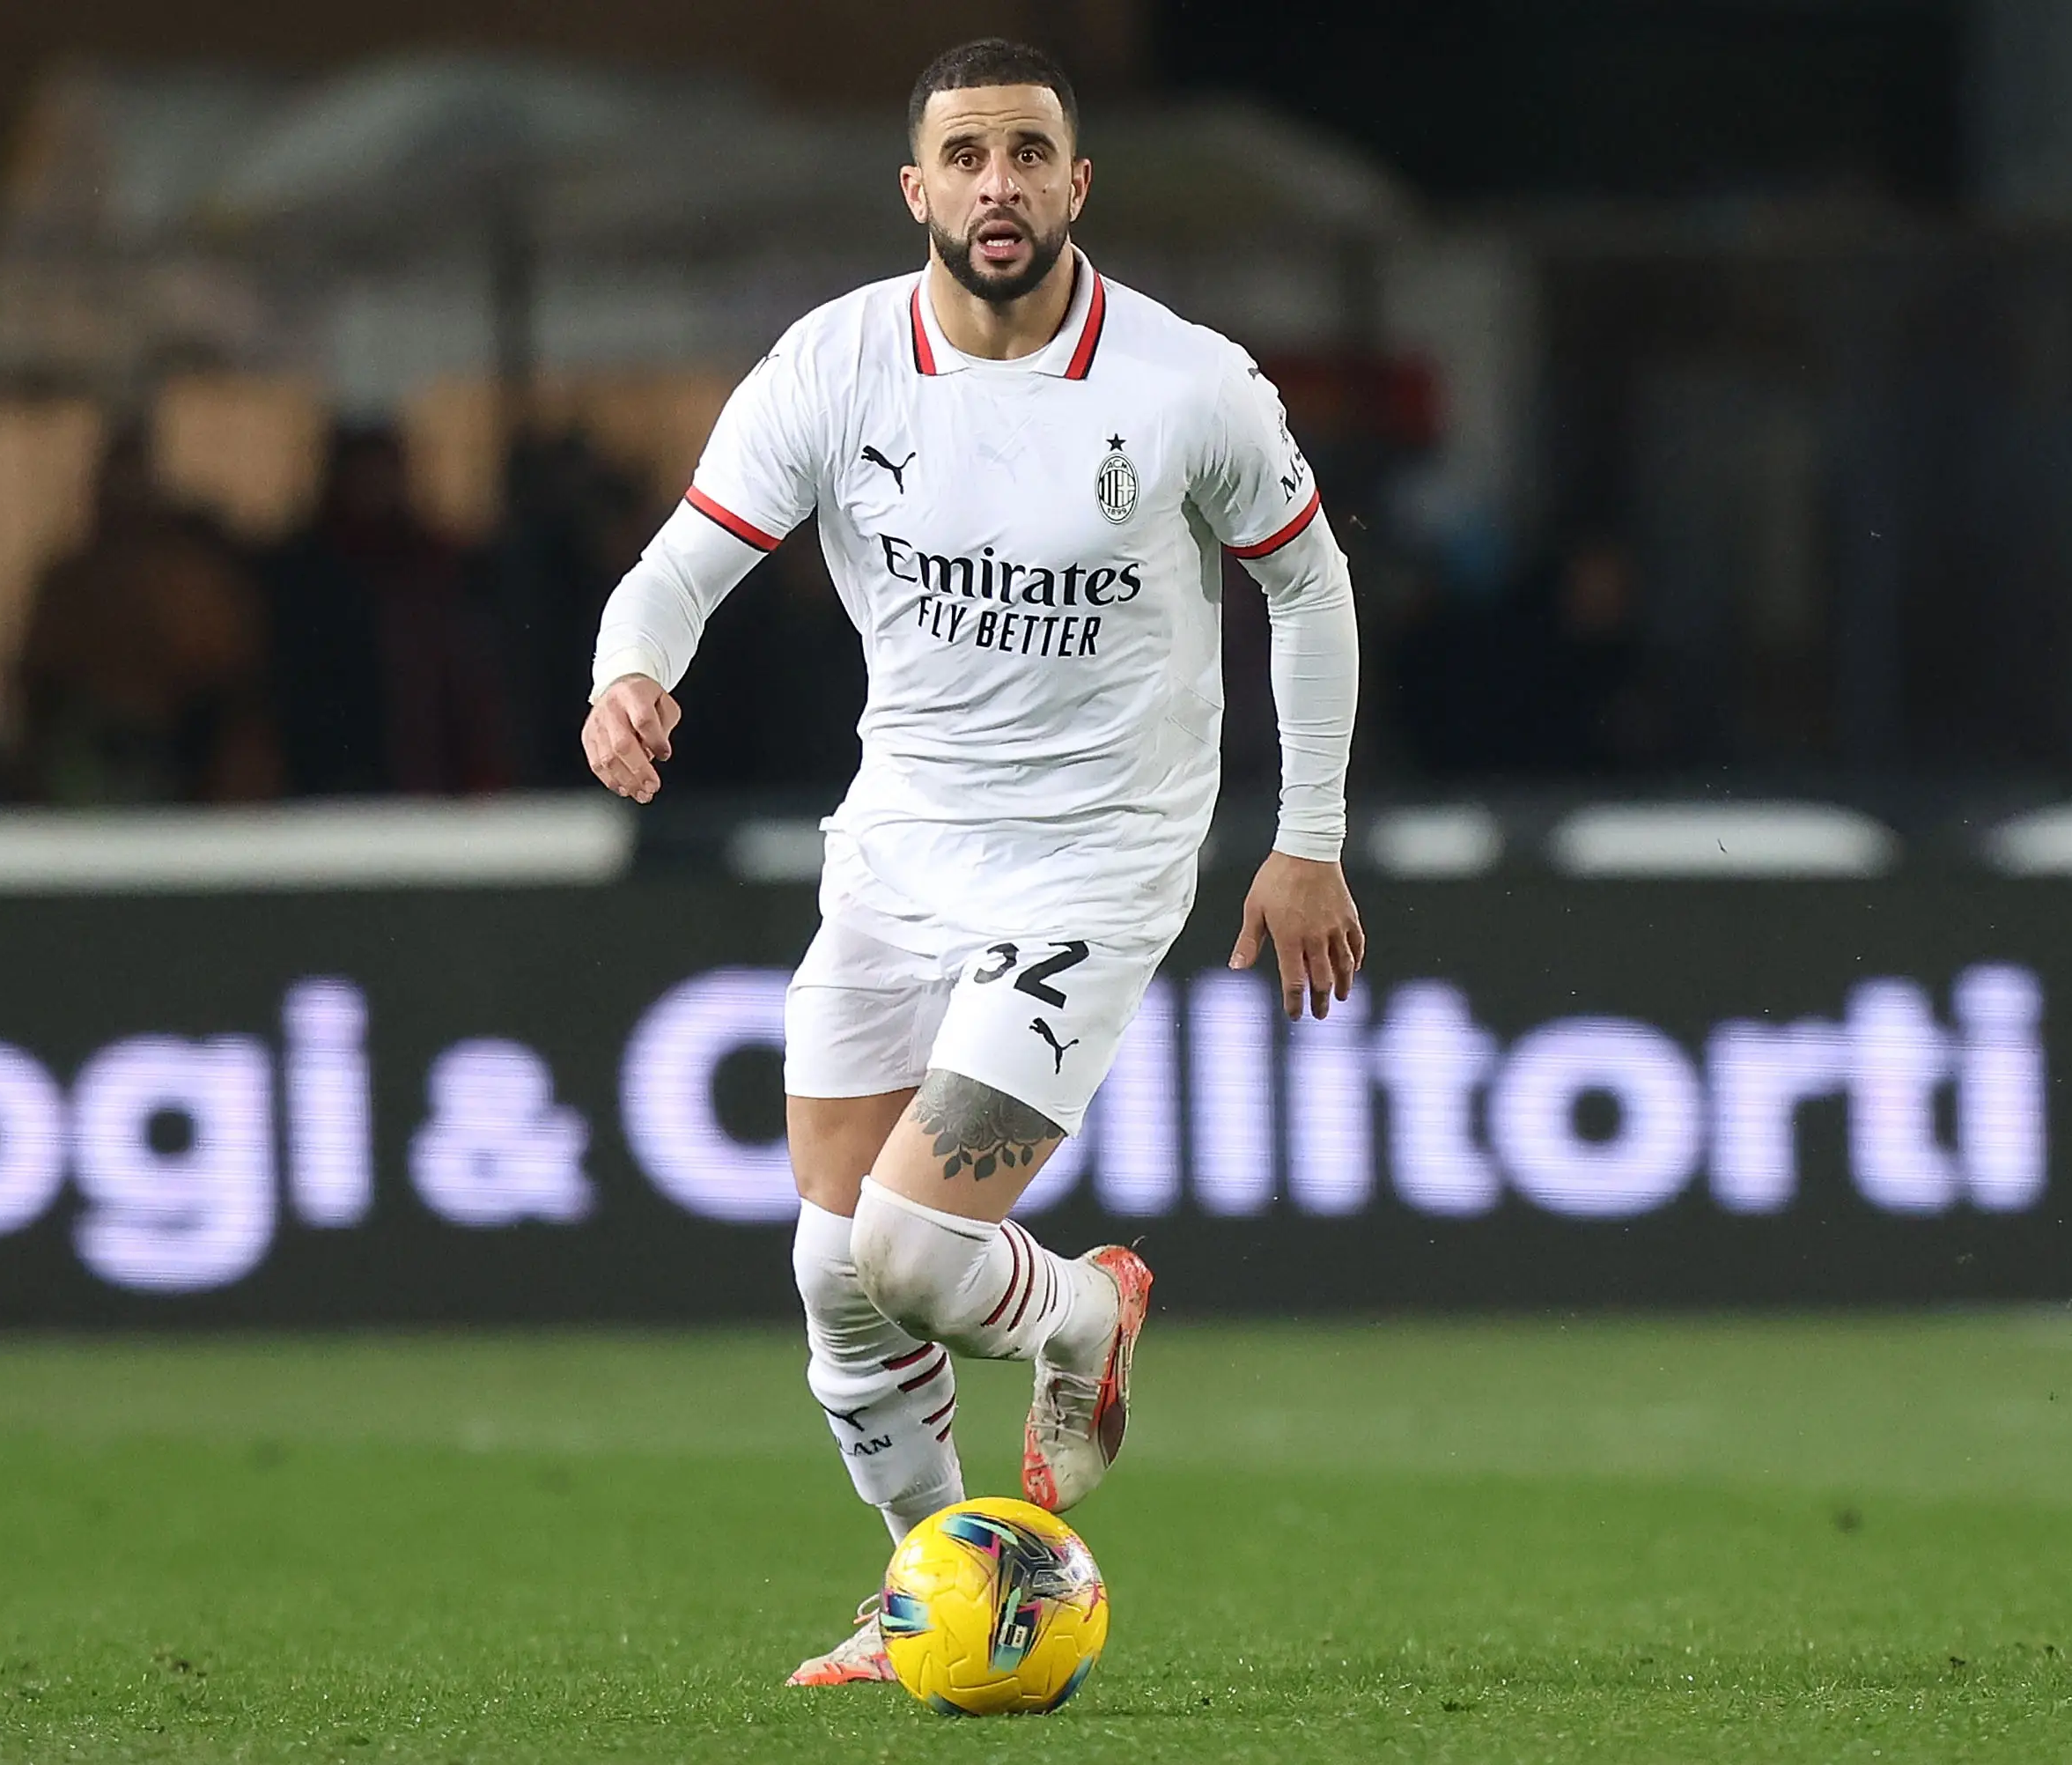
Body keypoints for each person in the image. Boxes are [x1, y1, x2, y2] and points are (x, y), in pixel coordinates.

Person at [580, 41, 1363, 1686]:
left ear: (1077, 186)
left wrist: (1308, 839)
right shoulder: (835, 363)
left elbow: (1310, 585)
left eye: (1029, 154)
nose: (996, 183)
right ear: (917, 188)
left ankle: (1083, 1310)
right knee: (830, 1274)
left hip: (1096, 854)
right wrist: (627, 674)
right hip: (897, 847)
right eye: (966, 154)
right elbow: (679, 565)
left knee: (910, 1252)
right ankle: (920, 1598)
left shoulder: (1185, 384)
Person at [17, 430, 277, 805]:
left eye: (135, 484)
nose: (125, 496)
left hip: (185, 753)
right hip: (88, 756)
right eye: (115, 486)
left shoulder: (189, 579)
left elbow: (233, 672)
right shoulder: (71, 583)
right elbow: (39, 675)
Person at [267, 426, 513, 797]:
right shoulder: (305, 574)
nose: (374, 487)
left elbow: (464, 680)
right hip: (331, 776)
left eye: (383, 472)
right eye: (363, 473)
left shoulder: (433, 567)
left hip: (433, 775)